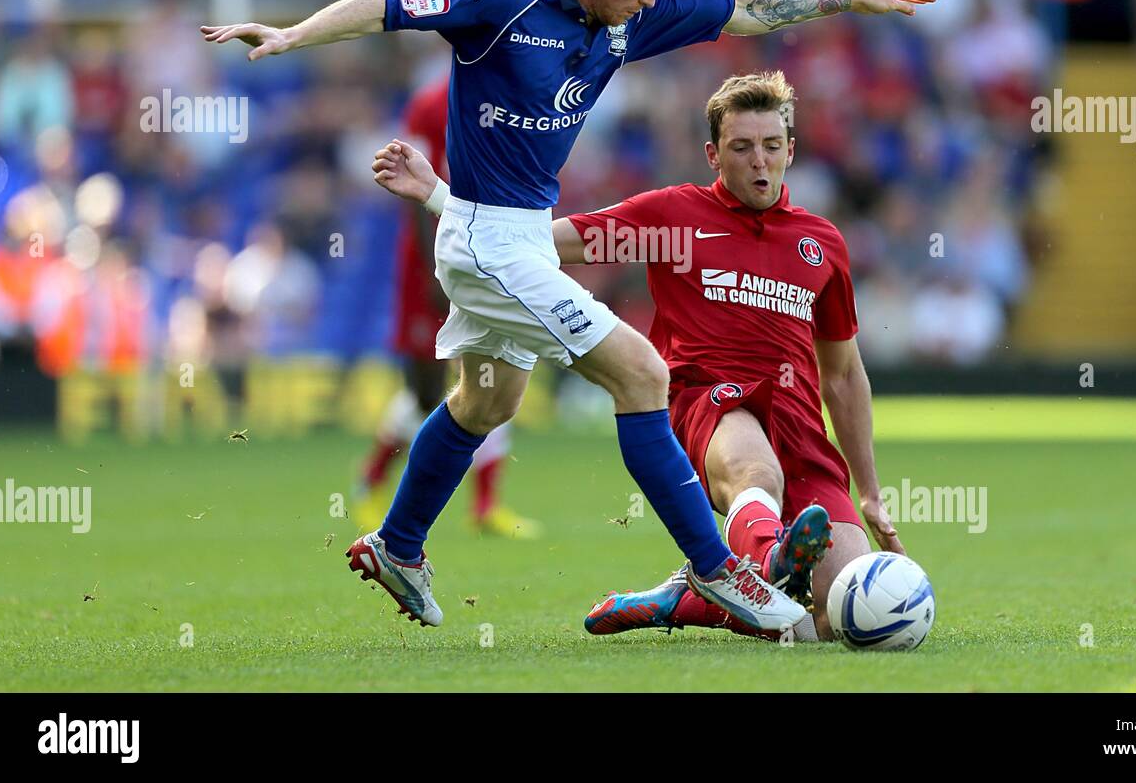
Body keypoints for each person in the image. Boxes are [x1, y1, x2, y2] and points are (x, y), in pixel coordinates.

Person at [202, 0, 933, 634]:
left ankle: (397, 544)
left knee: (487, 402)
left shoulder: (626, 18)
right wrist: (294, 35)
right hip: (488, 239)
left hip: (511, 232)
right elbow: (386, 5)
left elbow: (743, 4)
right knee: (642, 372)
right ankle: (723, 572)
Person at [371, 70, 905, 642]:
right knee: (757, 472)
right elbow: (529, 246)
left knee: (832, 622)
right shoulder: (672, 221)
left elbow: (844, 377)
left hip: (800, 427)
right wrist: (436, 195)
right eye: (741, 147)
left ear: (790, 152)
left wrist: (870, 491)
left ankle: (686, 597)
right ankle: (764, 564)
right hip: (713, 404)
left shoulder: (821, 243)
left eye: (771, 147)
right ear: (712, 153)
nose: (758, 162)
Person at [352, 78, 539, 539]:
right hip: (432, 260)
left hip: (493, 251)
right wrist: (431, 265)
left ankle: (485, 504)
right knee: (424, 391)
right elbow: (412, 191)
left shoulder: (511, 90)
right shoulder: (430, 105)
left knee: (494, 372)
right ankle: (372, 482)